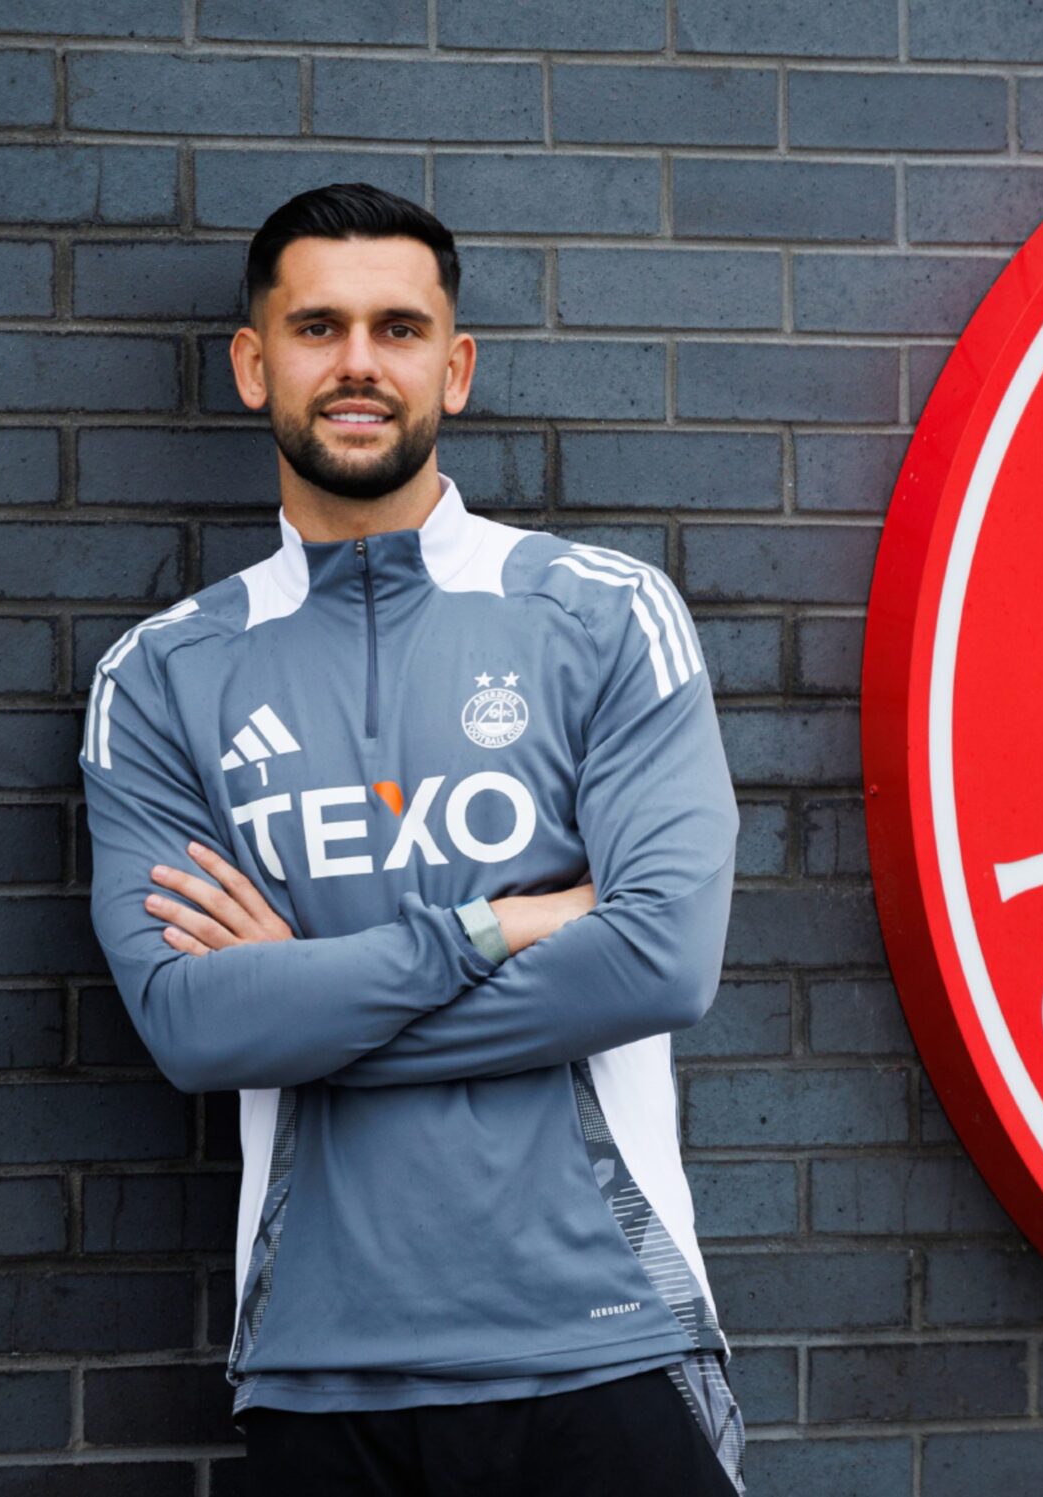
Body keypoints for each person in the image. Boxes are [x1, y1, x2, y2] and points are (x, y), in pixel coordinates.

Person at [77, 182, 744, 1495]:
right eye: (319, 327)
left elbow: (660, 959)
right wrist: (497, 925)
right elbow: (195, 1027)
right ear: (253, 362)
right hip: (324, 1370)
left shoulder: (601, 618)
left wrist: (311, 1000)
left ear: (458, 363)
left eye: (398, 326)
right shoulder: (160, 677)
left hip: (602, 1346)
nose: (360, 365)